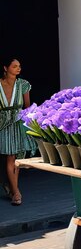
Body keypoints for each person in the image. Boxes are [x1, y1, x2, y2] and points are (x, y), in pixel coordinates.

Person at [0, 57, 36, 206]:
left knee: (16, 158)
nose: (18, 69)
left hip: (19, 122)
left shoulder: (23, 84)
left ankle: (14, 191)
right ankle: (15, 191)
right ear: (5, 68)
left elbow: (27, 107)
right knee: (10, 157)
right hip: (3, 124)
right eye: (14, 66)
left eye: (19, 66)